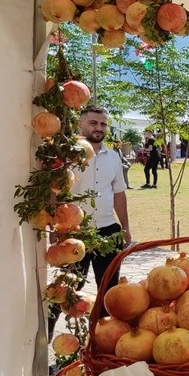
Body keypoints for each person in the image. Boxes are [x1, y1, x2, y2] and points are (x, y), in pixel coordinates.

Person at [61, 106, 131, 312]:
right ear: (79, 124)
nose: (99, 128)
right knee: (67, 290)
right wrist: (57, 228)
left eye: (103, 124)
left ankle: (101, 339)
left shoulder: (114, 157)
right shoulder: (66, 155)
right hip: (75, 232)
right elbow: (55, 192)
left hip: (108, 232)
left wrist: (125, 227)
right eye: (93, 123)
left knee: (109, 293)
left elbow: (119, 193)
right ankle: (49, 335)